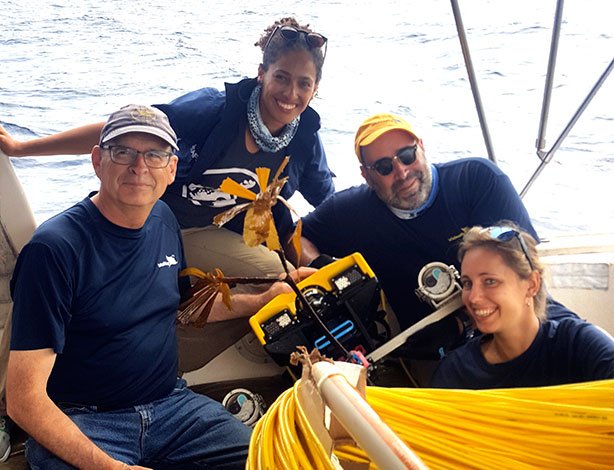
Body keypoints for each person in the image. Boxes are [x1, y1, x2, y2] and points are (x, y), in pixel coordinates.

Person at [5, 104, 304, 469]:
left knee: (269, 459)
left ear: (172, 168)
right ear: (97, 160)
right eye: (123, 152)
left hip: (172, 408)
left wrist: (265, 298)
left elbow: (183, 307)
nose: (139, 167)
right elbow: (24, 400)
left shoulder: (163, 219)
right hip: (86, 420)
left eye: (155, 154)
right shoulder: (54, 250)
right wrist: (112, 467)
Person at [0, 16, 333, 281]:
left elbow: (329, 203)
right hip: (150, 217)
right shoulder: (213, 111)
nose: (291, 93)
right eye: (282, 77)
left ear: (316, 88)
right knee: (57, 262)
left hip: (211, 232)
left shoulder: (305, 141)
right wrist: (22, 148)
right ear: (262, 74)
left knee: (281, 278)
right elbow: (119, 132)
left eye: (304, 83)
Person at [430, 224, 614, 388]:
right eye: (468, 283)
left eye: (490, 281)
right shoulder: (456, 372)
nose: (474, 298)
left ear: (532, 284)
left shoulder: (578, 345)